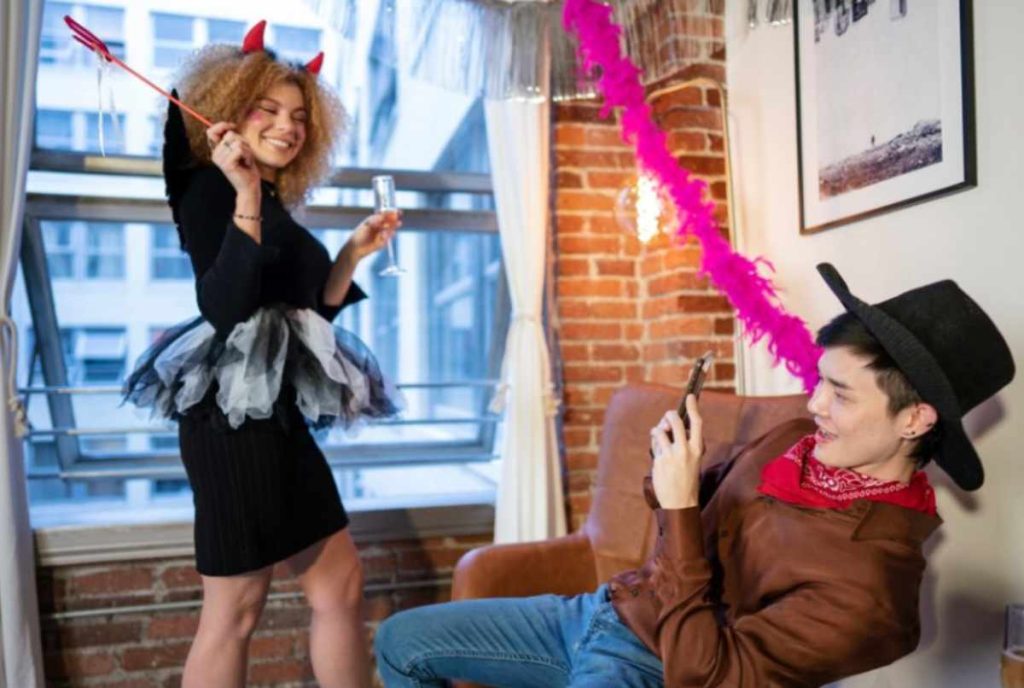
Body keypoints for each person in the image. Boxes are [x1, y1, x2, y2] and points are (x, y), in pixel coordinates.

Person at [373, 262, 1015, 687]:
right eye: (820, 381)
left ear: (915, 419)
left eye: (841, 394)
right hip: (605, 608)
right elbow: (689, 508)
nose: (815, 404)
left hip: (654, 665)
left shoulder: (874, 594)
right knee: (400, 642)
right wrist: (673, 472)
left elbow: (704, 675)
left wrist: (678, 509)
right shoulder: (796, 439)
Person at [122, 20, 400, 688]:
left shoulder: (270, 199)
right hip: (230, 424)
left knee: (340, 584)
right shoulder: (207, 187)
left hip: (277, 417)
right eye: (267, 110)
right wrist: (244, 192)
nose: (288, 126)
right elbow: (224, 306)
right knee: (235, 611)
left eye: (300, 116)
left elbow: (312, 318)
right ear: (229, 110)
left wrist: (354, 251)